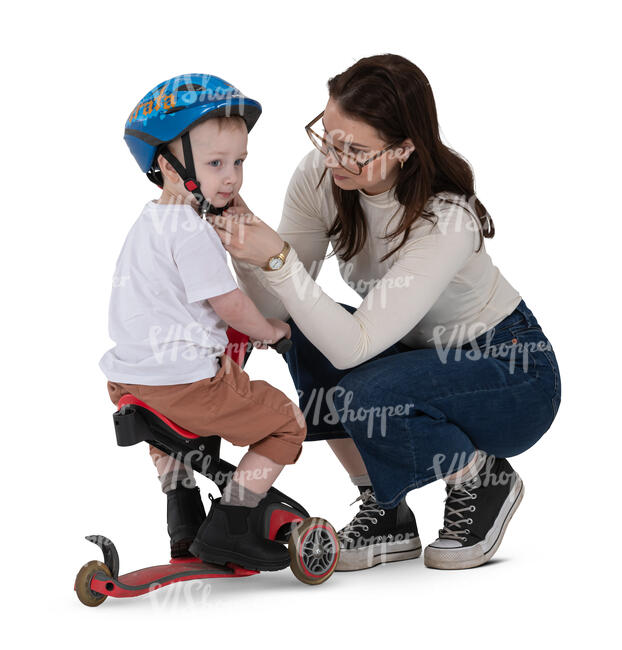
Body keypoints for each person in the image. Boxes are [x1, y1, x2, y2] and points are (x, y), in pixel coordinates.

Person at [210, 55, 562, 571]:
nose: (334, 158)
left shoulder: (447, 217)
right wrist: (241, 241)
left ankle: (483, 480)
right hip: (410, 357)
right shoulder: (320, 176)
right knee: (302, 336)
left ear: (404, 148)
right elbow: (274, 309)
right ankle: (386, 509)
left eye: (355, 150)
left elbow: (351, 344)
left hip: (507, 370)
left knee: (366, 390)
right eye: (327, 136)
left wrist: (277, 258)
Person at [99, 74, 307, 572]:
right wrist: (272, 331)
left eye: (239, 162)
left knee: (176, 441)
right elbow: (230, 304)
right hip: (188, 387)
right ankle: (232, 524)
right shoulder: (192, 232)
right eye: (215, 164)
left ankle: (185, 522)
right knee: (287, 423)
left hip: (130, 383)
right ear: (167, 167)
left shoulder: (148, 223)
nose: (231, 177)